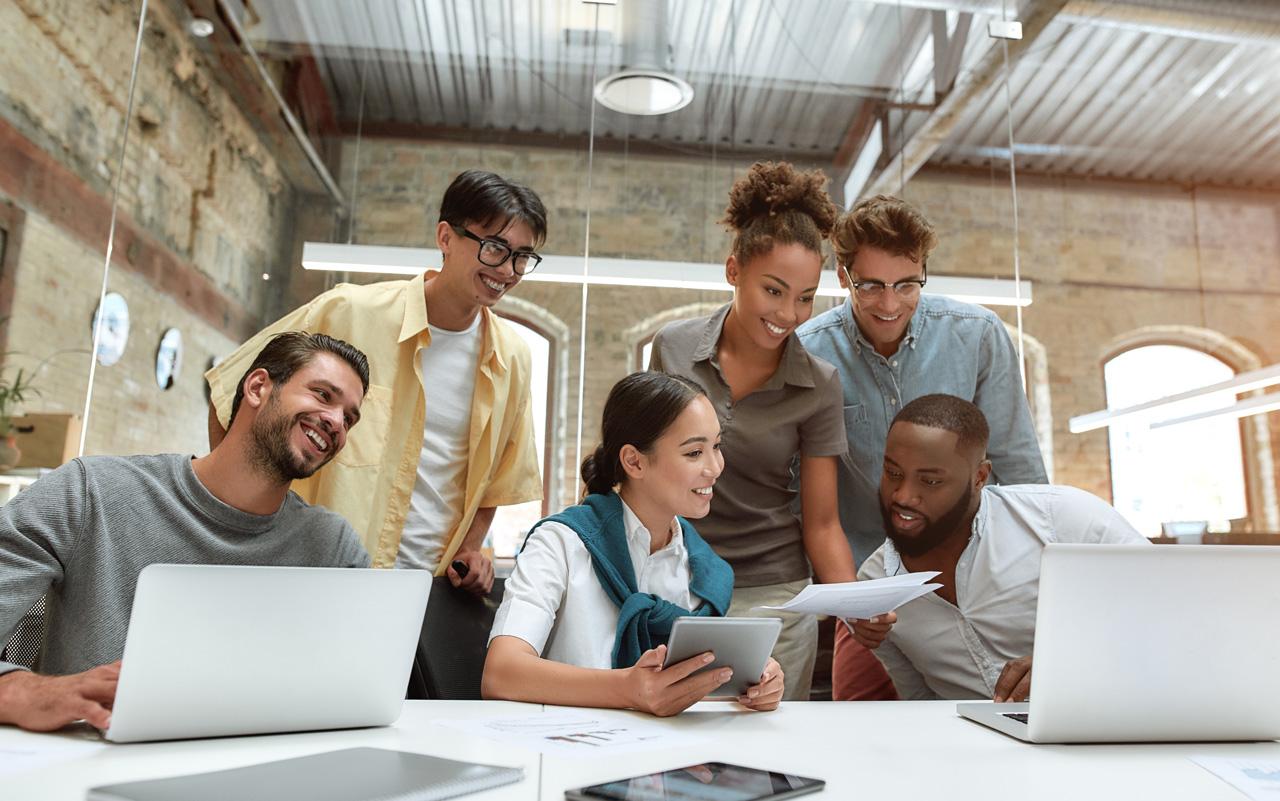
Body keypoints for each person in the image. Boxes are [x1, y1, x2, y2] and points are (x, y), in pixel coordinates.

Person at [0, 332, 372, 732]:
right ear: (258, 387)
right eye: (323, 395)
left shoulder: (333, 548)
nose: (337, 422)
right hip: (92, 767)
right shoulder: (91, 492)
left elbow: (359, 689)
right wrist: (31, 694)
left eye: (349, 418)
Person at [206, 170, 547, 595]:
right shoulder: (348, 312)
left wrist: (473, 547)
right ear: (446, 237)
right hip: (313, 575)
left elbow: (497, 480)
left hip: (427, 594)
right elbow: (232, 394)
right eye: (495, 247)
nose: (508, 270)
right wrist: (237, 524)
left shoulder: (512, 359)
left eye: (522, 257)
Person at [649, 162, 887, 701]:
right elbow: (638, 470)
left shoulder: (819, 385)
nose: (789, 313)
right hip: (676, 580)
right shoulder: (674, 349)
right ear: (734, 271)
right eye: (773, 290)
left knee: (766, 741)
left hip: (773, 594)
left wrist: (853, 605)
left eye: (805, 297)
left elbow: (822, 523)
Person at [797, 194, 1048, 700]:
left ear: (924, 272)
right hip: (873, 596)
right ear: (843, 277)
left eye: (906, 284)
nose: (889, 305)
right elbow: (805, 500)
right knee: (866, 731)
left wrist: (1048, 601)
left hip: (985, 576)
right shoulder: (808, 354)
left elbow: (1021, 475)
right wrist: (849, 600)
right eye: (870, 285)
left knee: (1010, 715)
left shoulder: (978, 337)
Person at [482, 372, 785, 716]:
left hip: (666, 757)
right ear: (634, 461)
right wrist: (629, 689)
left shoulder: (703, 568)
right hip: (564, 749)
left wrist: (753, 683)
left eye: (716, 446)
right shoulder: (560, 543)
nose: (715, 468)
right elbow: (501, 673)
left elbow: (688, 685)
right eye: (695, 452)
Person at [848, 394, 1147, 701]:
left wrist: (1074, 663)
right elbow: (919, 701)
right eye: (893, 474)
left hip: (1100, 726)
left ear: (979, 477)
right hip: (970, 743)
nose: (904, 496)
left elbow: (1174, 616)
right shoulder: (874, 586)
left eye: (931, 481)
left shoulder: (1063, 521)